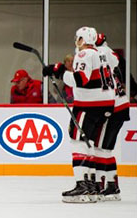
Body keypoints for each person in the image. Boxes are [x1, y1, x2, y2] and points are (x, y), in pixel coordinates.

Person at [43, 26, 115, 203]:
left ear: (82, 39)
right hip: (106, 104)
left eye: (78, 38)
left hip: (88, 104)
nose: (76, 41)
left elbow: (81, 80)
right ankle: (92, 186)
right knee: (89, 143)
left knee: (78, 142)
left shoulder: (84, 54)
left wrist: (59, 72)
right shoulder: (102, 53)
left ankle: (82, 186)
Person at [95, 33, 130, 201]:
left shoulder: (100, 56)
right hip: (121, 107)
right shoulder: (109, 56)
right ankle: (111, 185)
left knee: (99, 148)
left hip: (112, 108)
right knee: (106, 149)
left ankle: (101, 185)